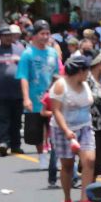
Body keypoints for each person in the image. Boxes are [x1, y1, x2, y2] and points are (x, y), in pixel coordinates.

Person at [49, 53, 99, 202]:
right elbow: (55, 111)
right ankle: (67, 198)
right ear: (79, 71)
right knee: (68, 165)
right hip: (63, 129)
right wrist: (67, 131)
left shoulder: (85, 84)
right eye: (86, 71)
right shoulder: (60, 85)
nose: (88, 74)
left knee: (89, 160)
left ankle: (84, 198)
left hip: (85, 126)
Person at [22, 24, 62, 157]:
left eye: (47, 33)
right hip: (34, 98)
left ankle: (53, 157)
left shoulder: (52, 53)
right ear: (35, 35)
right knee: (36, 132)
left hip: (52, 98)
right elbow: (24, 77)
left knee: (55, 128)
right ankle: (42, 156)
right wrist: (26, 98)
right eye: (42, 34)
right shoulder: (27, 54)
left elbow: (57, 74)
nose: (45, 37)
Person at [0, 26, 26, 157]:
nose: (8, 38)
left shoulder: (20, 50)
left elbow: (26, 68)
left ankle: (15, 145)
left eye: (10, 35)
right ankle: (3, 142)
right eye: (5, 36)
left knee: (16, 119)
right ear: (0, 37)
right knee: (1, 118)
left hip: (18, 90)